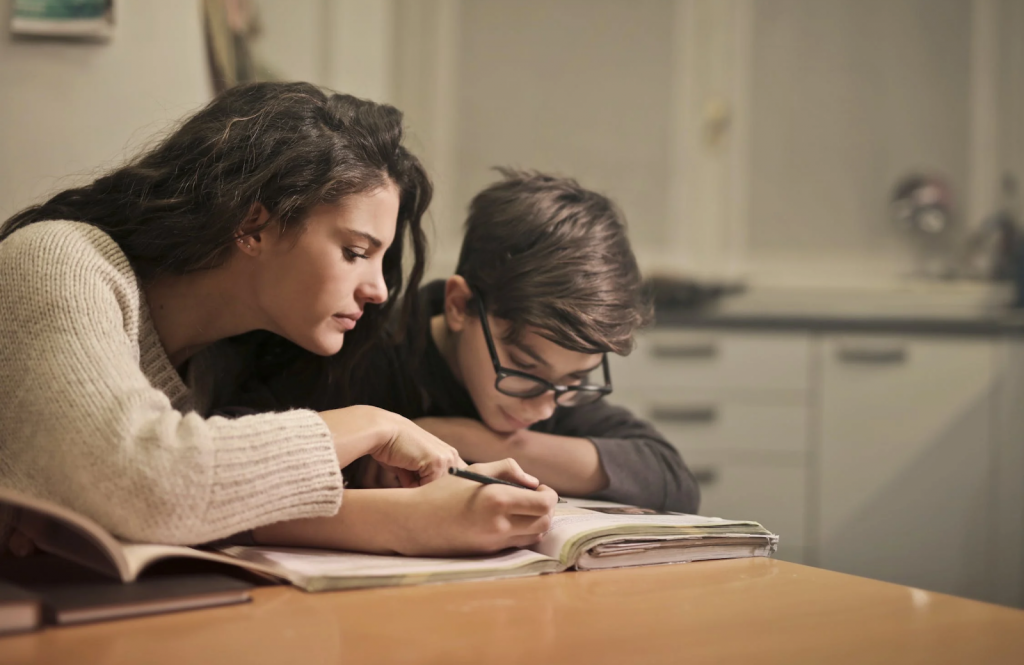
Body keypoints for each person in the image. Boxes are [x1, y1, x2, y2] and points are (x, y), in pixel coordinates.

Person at [0, 83, 555, 557]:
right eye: (356, 251)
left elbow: (199, 506)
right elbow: (150, 484)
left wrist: (422, 510)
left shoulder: (222, 360)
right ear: (253, 224)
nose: (380, 290)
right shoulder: (60, 260)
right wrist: (372, 425)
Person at [252, 169, 700, 513]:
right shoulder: (357, 350)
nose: (543, 407)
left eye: (576, 380)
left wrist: (474, 440)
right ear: (460, 305)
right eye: (524, 368)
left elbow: (671, 479)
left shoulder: (553, 386)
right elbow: (241, 463)